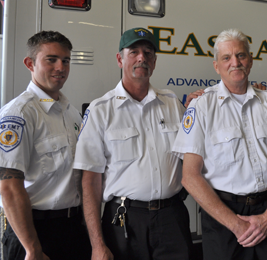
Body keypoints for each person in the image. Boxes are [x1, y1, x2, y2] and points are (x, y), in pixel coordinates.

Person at [172, 28, 267, 260]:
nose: (235, 62)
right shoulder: (201, 107)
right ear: (216, 66)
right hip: (223, 219)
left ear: (250, 61)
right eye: (226, 58)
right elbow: (190, 176)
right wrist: (236, 225)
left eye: (241, 55)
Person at [74, 27, 193, 260]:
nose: (142, 58)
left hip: (172, 218)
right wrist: (97, 244)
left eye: (148, 53)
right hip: (124, 220)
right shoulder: (101, 110)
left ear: (155, 61)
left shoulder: (172, 104)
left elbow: (191, 157)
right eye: (134, 52)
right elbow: (90, 181)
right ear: (120, 59)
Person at [0, 31, 91, 260]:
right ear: (30, 63)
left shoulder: (70, 112)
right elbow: (8, 187)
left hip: (71, 229)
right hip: (34, 232)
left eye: (66, 60)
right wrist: (33, 248)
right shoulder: (19, 114)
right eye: (51, 59)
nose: (60, 67)